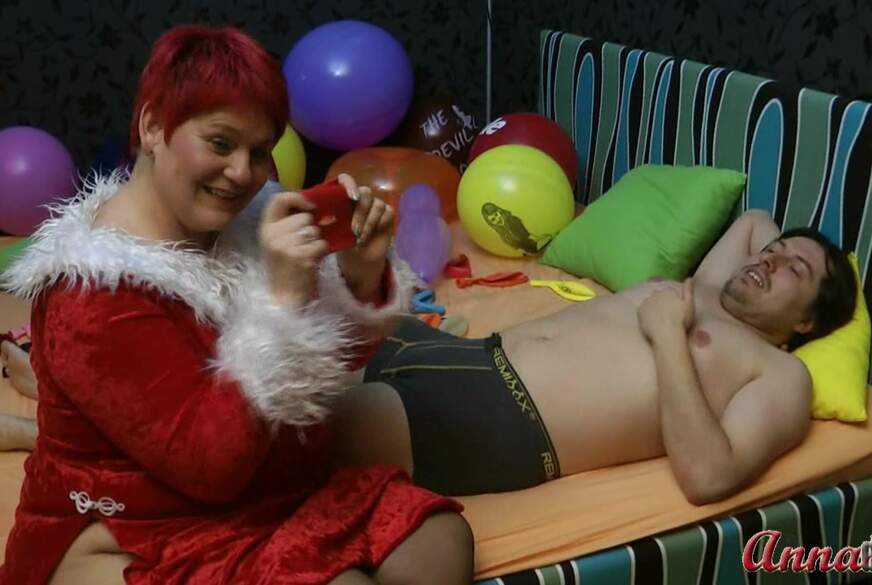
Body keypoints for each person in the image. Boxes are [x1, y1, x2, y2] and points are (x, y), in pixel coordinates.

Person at [0, 25, 473, 585]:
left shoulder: (249, 218)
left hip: (273, 483)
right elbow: (209, 469)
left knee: (440, 536)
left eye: (259, 152)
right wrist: (282, 299)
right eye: (221, 144)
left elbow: (326, 366)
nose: (242, 173)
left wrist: (360, 273)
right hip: (158, 519)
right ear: (152, 127)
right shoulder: (90, 293)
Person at [332, 209, 858, 504]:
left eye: (795, 270)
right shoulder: (710, 287)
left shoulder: (782, 373)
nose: (769, 261)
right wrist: (786, 261)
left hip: (508, 417)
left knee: (308, 433)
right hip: (466, 353)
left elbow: (709, 476)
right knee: (306, 342)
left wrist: (669, 337)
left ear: (808, 323)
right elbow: (755, 221)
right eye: (771, 253)